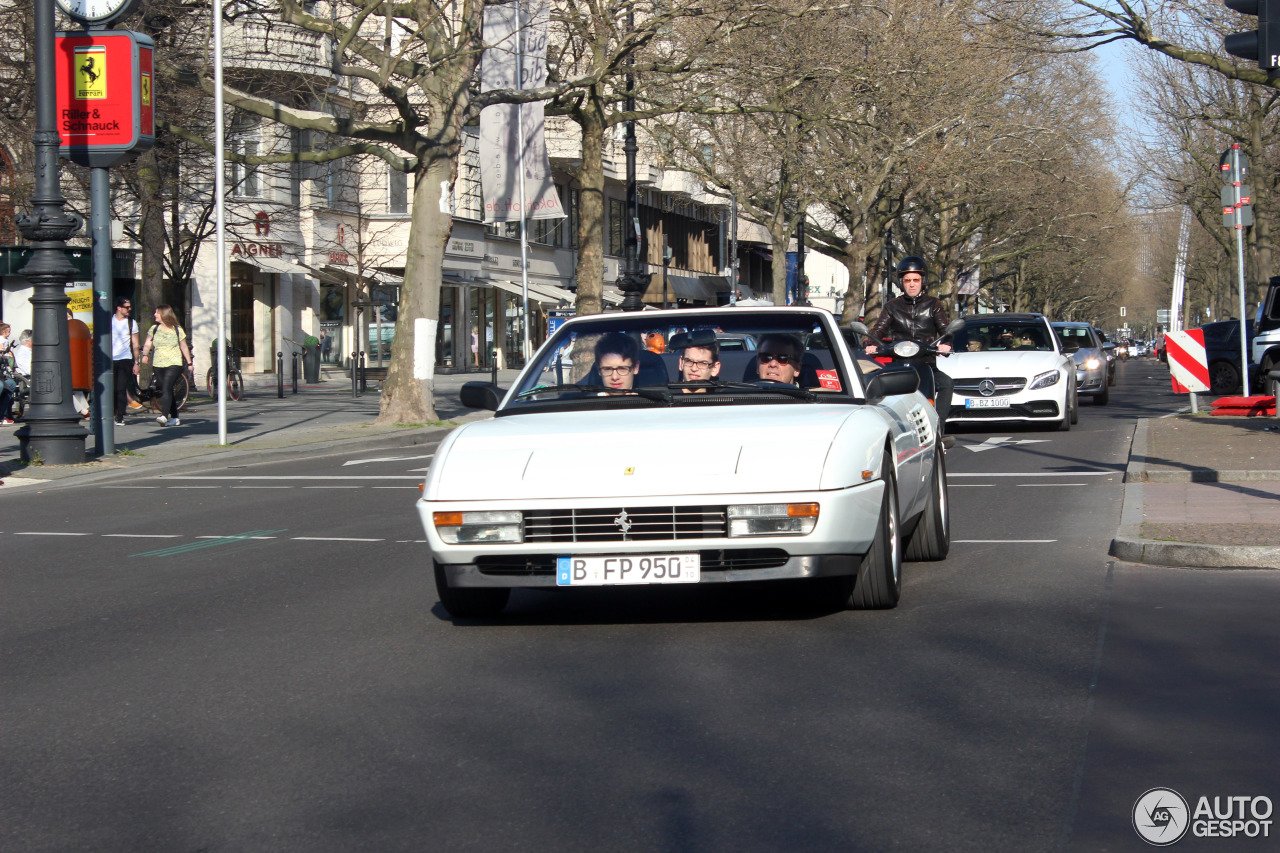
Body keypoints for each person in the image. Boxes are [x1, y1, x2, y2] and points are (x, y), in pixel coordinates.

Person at [864, 256, 954, 431]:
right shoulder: (892, 306)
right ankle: (884, 428)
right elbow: (878, 329)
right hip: (900, 366)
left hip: (926, 364)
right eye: (907, 280)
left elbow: (946, 329)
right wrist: (870, 343)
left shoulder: (933, 304)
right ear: (901, 283)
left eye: (916, 280)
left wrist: (946, 344)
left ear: (923, 281)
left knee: (947, 383)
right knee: (873, 385)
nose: (912, 284)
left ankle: (939, 428)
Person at [139, 304, 192, 427]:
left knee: (167, 386)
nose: (154, 315)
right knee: (165, 389)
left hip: (174, 363)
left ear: (163, 314)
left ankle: (164, 415)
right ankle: (175, 417)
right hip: (158, 364)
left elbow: (184, 346)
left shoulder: (177, 330)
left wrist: (189, 363)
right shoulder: (154, 329)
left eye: (157, 312)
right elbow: (147, 343)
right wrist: (145, 355)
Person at [110, 297, 140, 425]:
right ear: (119, 308)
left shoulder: (131, 323)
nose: (129, 309)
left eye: (130, 307)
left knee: (121, 388)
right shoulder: (109, 321)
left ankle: (120, 415)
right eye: (127, 307)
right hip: (110, 359)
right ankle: (112, 412)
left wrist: (136, 362)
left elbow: (135, 344)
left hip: (125, 358)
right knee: (111, 388)